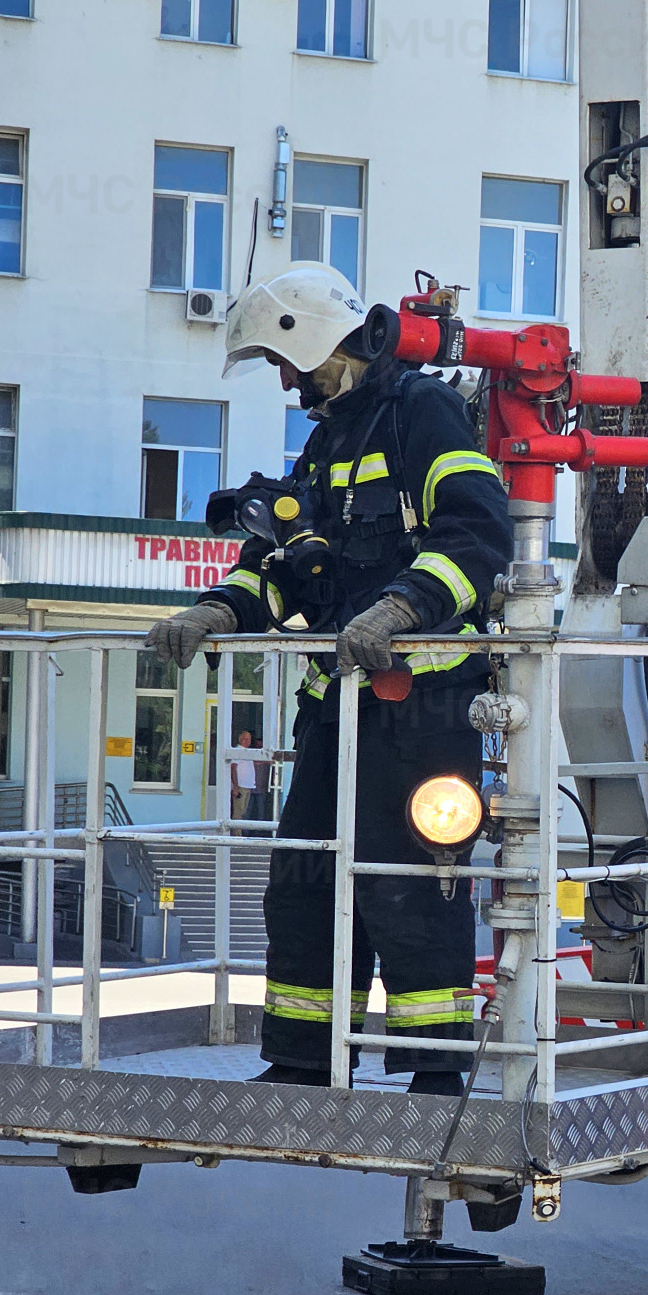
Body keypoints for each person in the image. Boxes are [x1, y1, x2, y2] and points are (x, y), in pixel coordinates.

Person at [144, 262, 513, 1094]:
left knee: (413, 886)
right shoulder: (324, 443)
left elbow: (478, 538)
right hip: (334, 709)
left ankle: (437, 1073)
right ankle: (305, 1061)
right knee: (304, 878)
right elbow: (283, 568)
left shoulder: (425, 415)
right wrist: (216, 610)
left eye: (282, 362)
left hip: (425, 712)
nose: (282, 380)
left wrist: (399, 609)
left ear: (309, 340)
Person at [228, 729, 269, 821]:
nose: (247, 741)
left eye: (249, 739)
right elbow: (233, 768)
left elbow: (253, 763)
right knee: (238, 812)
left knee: (243, 812)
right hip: (240, 786)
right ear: (240, 739)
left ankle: (240, 834)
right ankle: (237, 835)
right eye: (245, 739)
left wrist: (268, 761)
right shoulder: (237, 751)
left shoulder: (247, 752)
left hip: (248, 786)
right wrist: (235, 786)